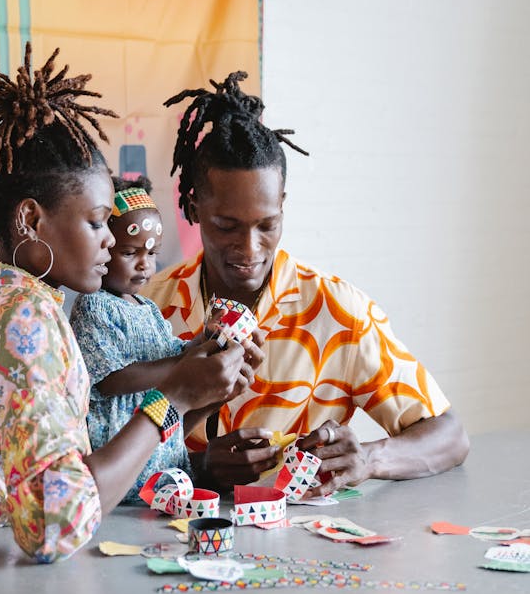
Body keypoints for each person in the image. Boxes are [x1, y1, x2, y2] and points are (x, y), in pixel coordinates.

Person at [0, 45, 249, 562]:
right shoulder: (26, 317)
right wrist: (171, 398)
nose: (109, 241)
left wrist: (200, 396)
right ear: (30, 220)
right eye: (95, 221)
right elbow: (53, 523)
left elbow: (71, 466)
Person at [144, 70, 470, 493]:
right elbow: (102, 447)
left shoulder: (338, 311)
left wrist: (370, 458)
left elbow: (450, 436)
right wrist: (197, 466)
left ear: (282, 206)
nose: (249, 248)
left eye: (267, 224)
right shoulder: (148, 309)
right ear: (193, 206)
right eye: (226, 226)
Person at [70, 176, 255, 503]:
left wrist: (209, 342)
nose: (145, 264)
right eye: (130, 252)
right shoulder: (94, 306)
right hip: (122, 459)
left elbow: (170, 355)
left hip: (163, 462)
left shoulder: (149, 309)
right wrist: (185, 363)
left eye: (152, 253)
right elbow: (111, 380)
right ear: (103, 248)